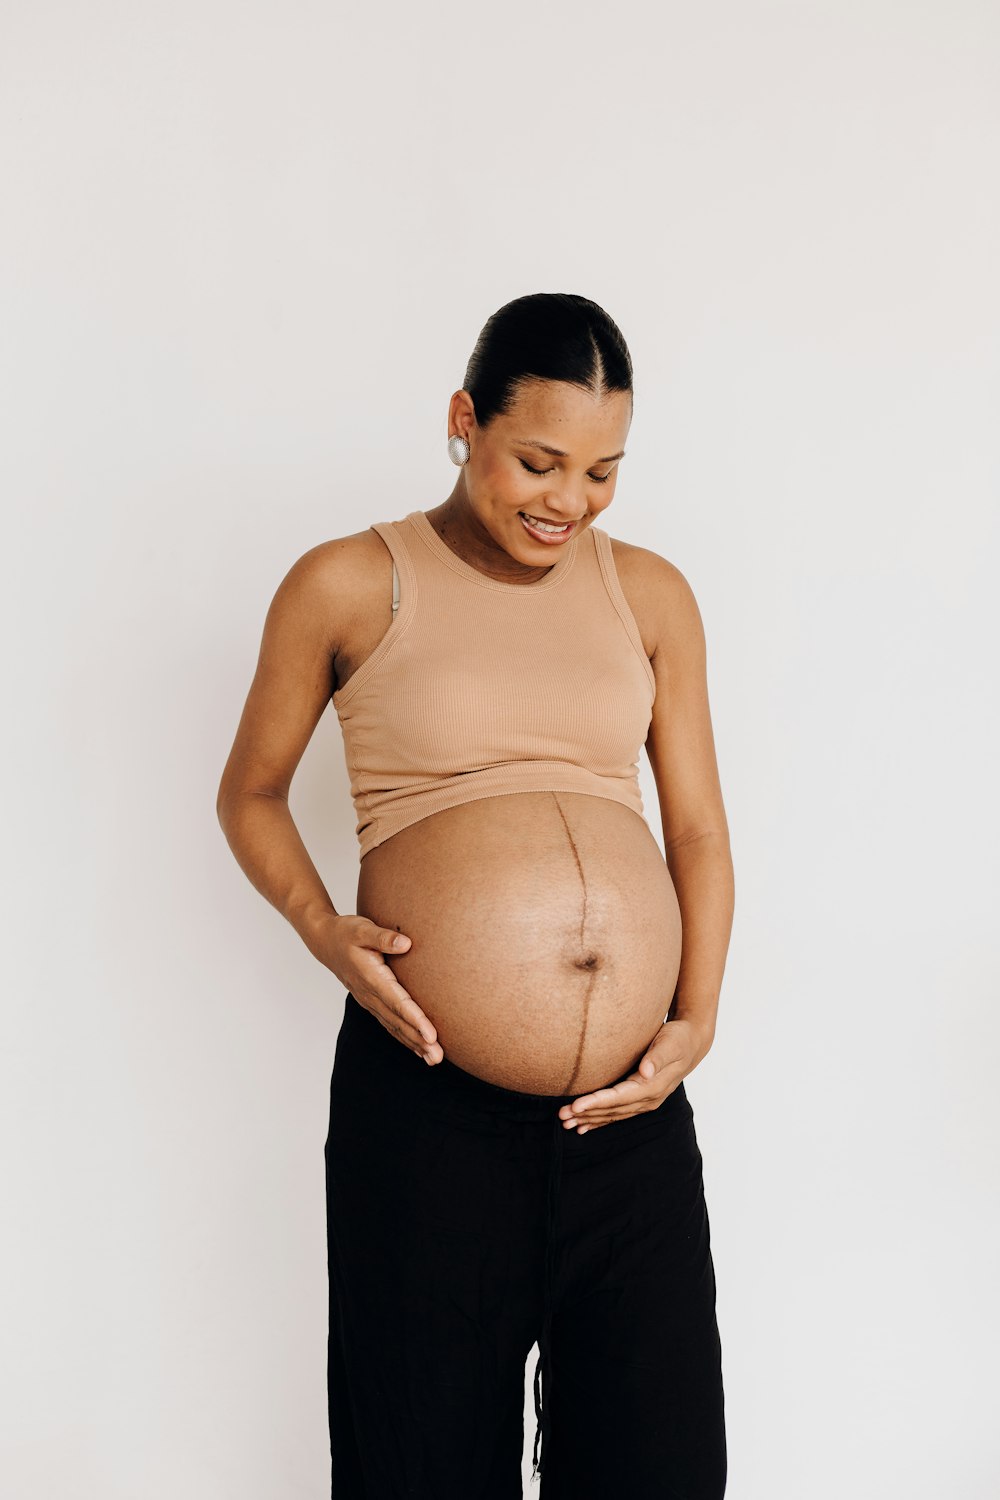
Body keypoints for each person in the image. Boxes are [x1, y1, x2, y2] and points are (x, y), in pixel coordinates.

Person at [216, 292, 733, 1499]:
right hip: (430, 1106)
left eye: (603, 471)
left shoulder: (648, 594)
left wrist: (693, 1019)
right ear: (464, 421)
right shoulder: (348, 582)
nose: (569, 501)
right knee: (420, 1466)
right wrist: (318, 928)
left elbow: (698, 828)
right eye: (537, 462)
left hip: (631, 1117)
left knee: (661, 1466)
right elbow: (251, 792)